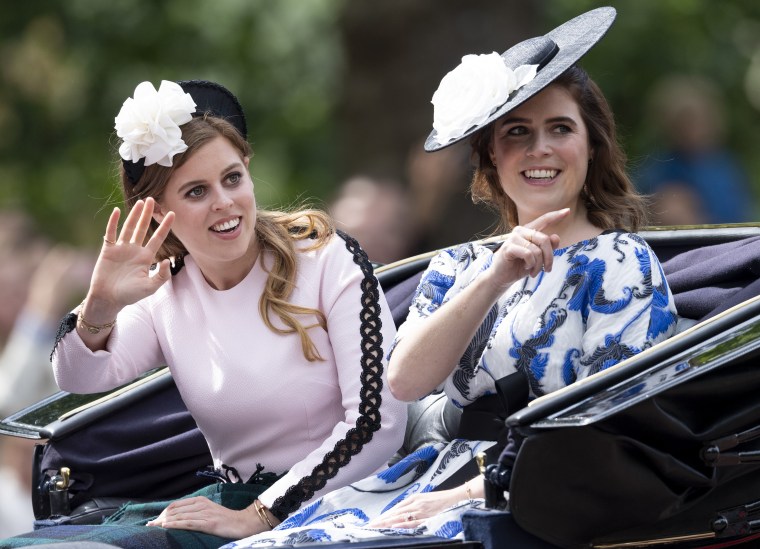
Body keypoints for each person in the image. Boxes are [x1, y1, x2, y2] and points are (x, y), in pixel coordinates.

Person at [221, 7, 678, 546]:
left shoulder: (621, 262)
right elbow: (404, 382)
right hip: (425, 476)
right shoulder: (457, 266)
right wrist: (493, 278)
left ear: (592, 144)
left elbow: (611, 430)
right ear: (490, 156)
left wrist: (467, 495)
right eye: (516, 132)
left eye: (560, 128)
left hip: (537, 498)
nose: (540, 149)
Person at [1, 79, 406, 548]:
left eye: (232, 178)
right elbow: (79, 378)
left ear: (248, 171)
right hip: (233, 507)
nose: (224, 202)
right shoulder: (164, 291)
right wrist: (100, 304)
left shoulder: (326, 256)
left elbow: (378, 425)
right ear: (157, 213)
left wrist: (261, 514)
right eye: (196, 191)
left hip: (336, 501)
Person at [635, 74, 755, 225]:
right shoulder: (658, 167)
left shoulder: (725, 168)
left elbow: (740, 216)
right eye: (683, 122)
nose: (692, 130)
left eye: (698, 120)